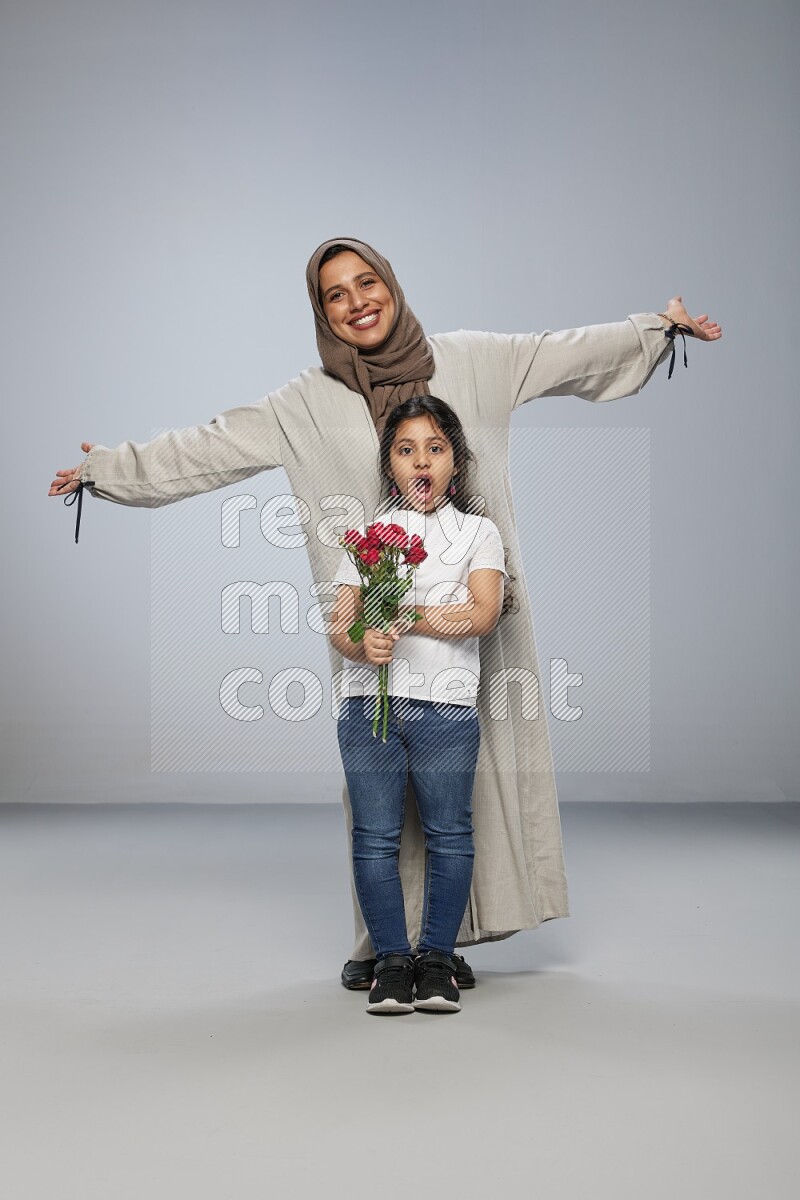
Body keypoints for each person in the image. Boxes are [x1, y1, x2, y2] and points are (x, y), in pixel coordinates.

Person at [48, 237, 722, 991]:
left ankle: (443, 942)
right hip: (370, 645)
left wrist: (653, 331)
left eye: (366, 282)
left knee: (469, 783)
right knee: (377, 806)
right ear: (322, 312)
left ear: (392, 287)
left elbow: (561, 354)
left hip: (476, 616)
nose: (356, 301)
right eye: (335, 294)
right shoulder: (301, 404)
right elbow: (207, 448)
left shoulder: (470, 362)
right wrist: (106, 471)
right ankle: (387, 944)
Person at [329, 395, 509, 1014]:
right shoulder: (372, 532)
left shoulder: (478, 532)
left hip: (445, 708)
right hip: (368, 708)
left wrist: (410, 617)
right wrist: (362, 641)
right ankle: (391, 964)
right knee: (374, 837)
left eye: (435, 448)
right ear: (391, 465)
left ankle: (436, 959)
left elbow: (482, 613)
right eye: (407, 450)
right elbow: (341, 628)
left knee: (450, 834)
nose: (422, 461)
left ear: (454, 462)